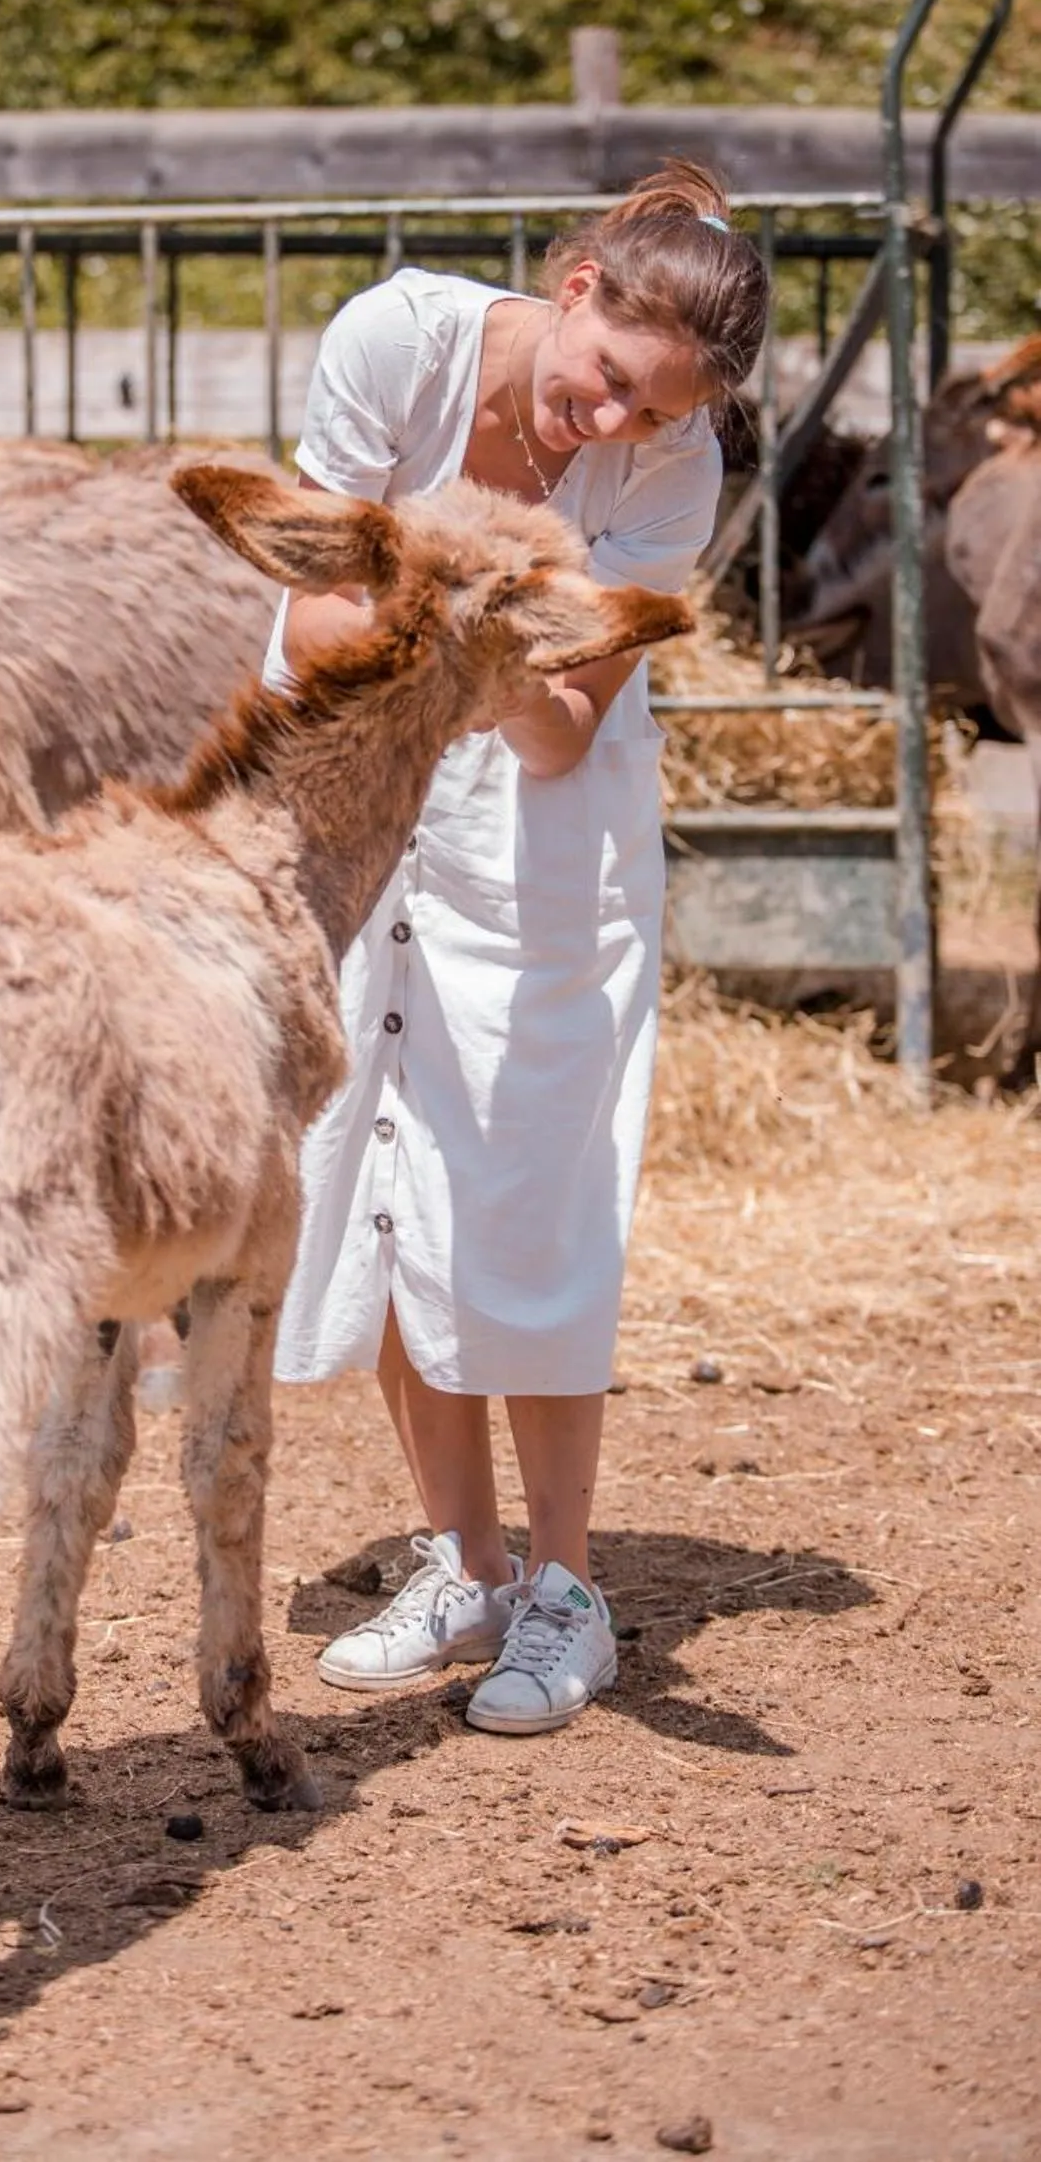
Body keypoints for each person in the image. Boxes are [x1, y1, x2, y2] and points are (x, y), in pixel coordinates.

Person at [268, 159, 769, 1734]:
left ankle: (566, 1592)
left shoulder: (667, 470)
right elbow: (303, 628)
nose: (611, 427)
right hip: (364, 802)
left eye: (652, 413)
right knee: (391, 1182)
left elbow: (557, 738)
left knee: (530, 1193)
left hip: (541, 855)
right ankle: (464, 1562)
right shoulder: (394, 347)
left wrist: (444, 614)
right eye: (608, 381)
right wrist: (479, 614)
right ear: (573, 291)